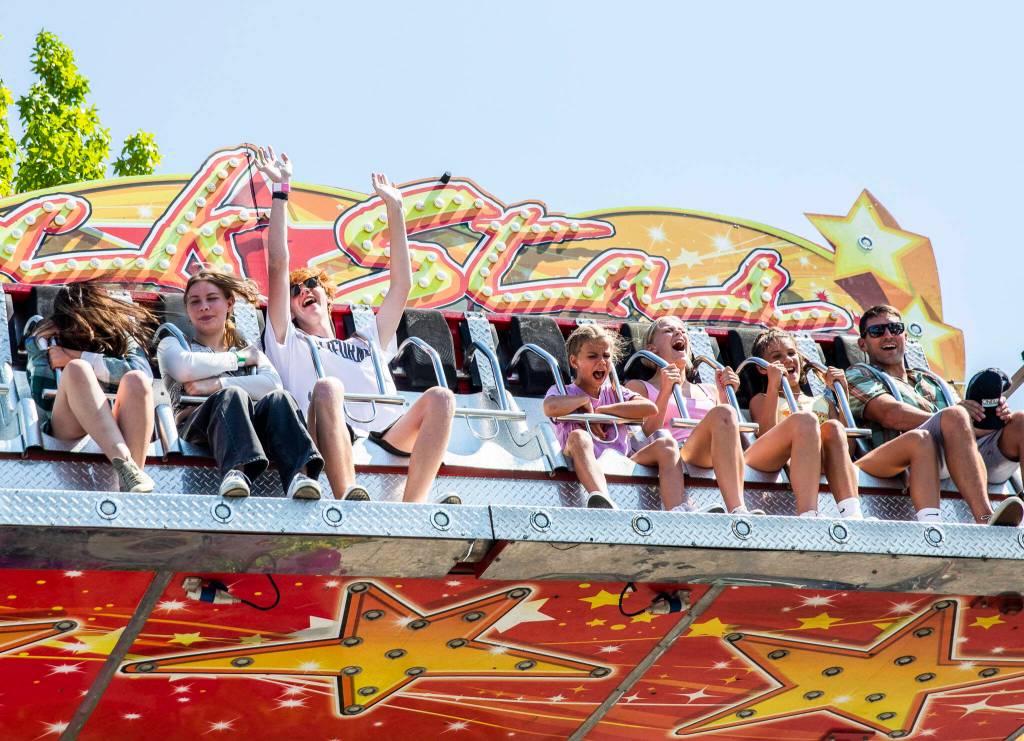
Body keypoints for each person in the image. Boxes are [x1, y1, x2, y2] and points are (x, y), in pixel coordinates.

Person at [254, 146, 456, 504]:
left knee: (441, 398)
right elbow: (277, 265)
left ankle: (413, 506)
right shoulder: (288, 341)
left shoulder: (367, 339)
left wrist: (395, 209)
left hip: (385, 431)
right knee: (329, 387)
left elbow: (402, 286)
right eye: (295, 291)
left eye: (313, 284)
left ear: (327, 296)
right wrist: (281, 192)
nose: (304, 291)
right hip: (320, 428)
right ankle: (348, 495)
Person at [846, 304, 1024, 526]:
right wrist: (954, 418)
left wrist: (993, 417)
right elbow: (890, 414)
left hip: (960, 454)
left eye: (895, 328)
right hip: (907, 455)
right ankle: (986, 517)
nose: (888, 335)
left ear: (905, 335)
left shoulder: (932, 380)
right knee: (955, 416)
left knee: (1020, 422)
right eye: (877, 331)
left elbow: (964, 423)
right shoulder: (858, 374)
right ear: (863, 343)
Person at [156, 270, 324, 500]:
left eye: (212, 299)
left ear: (229, 303)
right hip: (195, 426)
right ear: (187, 310)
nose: (203, 307)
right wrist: (240, 361)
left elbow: (272, 384)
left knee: (280, 399)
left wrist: (216, 383)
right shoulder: (173, 343)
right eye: (195, 302)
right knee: (232, 394)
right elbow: (185, 368)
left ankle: (301, 477)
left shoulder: (248, 347)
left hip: (248, 425)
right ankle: (237, 474)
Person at [27, 281, 156, 493]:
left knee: (137, 380)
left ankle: (131, 481)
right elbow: (42, 397)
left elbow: (143, 372)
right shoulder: (49, 339)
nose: (79, 330)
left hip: (116, 419)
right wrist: (41, 344)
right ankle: (125, 464)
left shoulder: (121, 335)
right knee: (78, 369)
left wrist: (78, 355)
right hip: (68, 428)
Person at [543, 323, 688, 511]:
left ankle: (676, 510)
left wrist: (602, 411)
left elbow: (648, 407)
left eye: (606, 356)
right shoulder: (564, 391)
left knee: (667, 444)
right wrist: (582, 401)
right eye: (592, 356)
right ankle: (602, 499)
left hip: (621, 458)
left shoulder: (616, 393)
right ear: (574, 361)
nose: (601, 362)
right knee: (579, 436)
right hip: (577, 459)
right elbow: (550, 407)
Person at [624, 316, 750, 514]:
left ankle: (738, 509)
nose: (679, 333)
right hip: (667, 451)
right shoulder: (638, 387)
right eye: (668, 330)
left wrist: (725, 394)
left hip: (704, 452)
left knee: (725, 412)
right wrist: (665, 391)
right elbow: (641, 436)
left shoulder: (708, 389)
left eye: (683, 330)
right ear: (652, 349)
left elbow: (729, 432)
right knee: (722, 413)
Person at [744, 328, 864, 519]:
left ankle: (852, 513)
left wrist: (843, 394)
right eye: (777, 356)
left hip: (821, 460)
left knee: (833, 427)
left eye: (792, 353)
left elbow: (846, 449)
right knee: (806, 420)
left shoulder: (822, 402)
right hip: (782, 458)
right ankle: (808, 513)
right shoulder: (762, 398)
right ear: (762, 368)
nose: (787, 360)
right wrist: (774, 385)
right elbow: (765, 434)